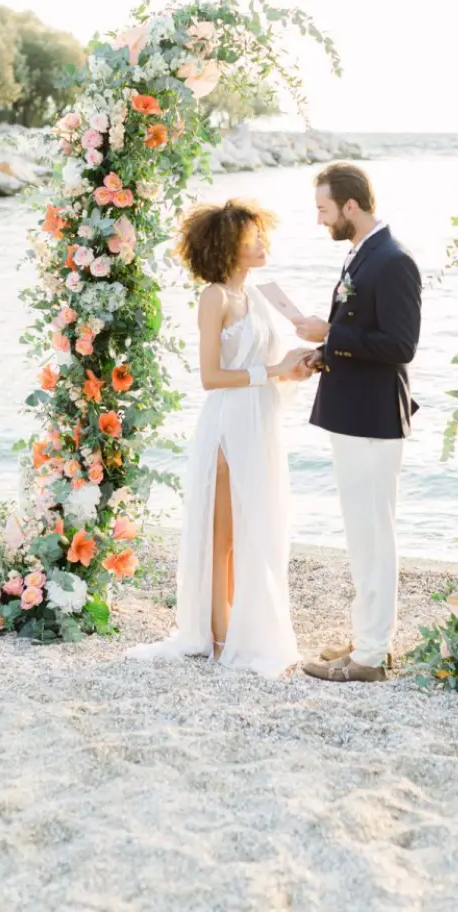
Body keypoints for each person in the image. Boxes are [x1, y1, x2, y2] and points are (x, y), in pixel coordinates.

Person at [126, 199, 308, 678]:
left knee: (259, 527)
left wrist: (294, 367)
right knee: (223, 536)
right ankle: (218, 635)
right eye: (254, 237)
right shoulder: (215, 298)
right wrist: (271, 371)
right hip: (229, 422)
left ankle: (242, 627)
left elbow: (267, 367)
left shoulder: (260, 297)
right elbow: (210, 376)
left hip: (261, 421)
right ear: (230, 244)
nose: (263, 243)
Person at [293, 163, 422, 683]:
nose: (320, 219)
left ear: (350, 206)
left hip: (373, 417)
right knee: (361, 533)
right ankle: (369, 637)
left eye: (324, 209)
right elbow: (361, 333)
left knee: (373, 535)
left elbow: (400, 346)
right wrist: (325, 350)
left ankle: (371, 655)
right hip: (354, 411)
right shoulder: (363, 254)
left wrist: (334, 334)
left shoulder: (392, 261)